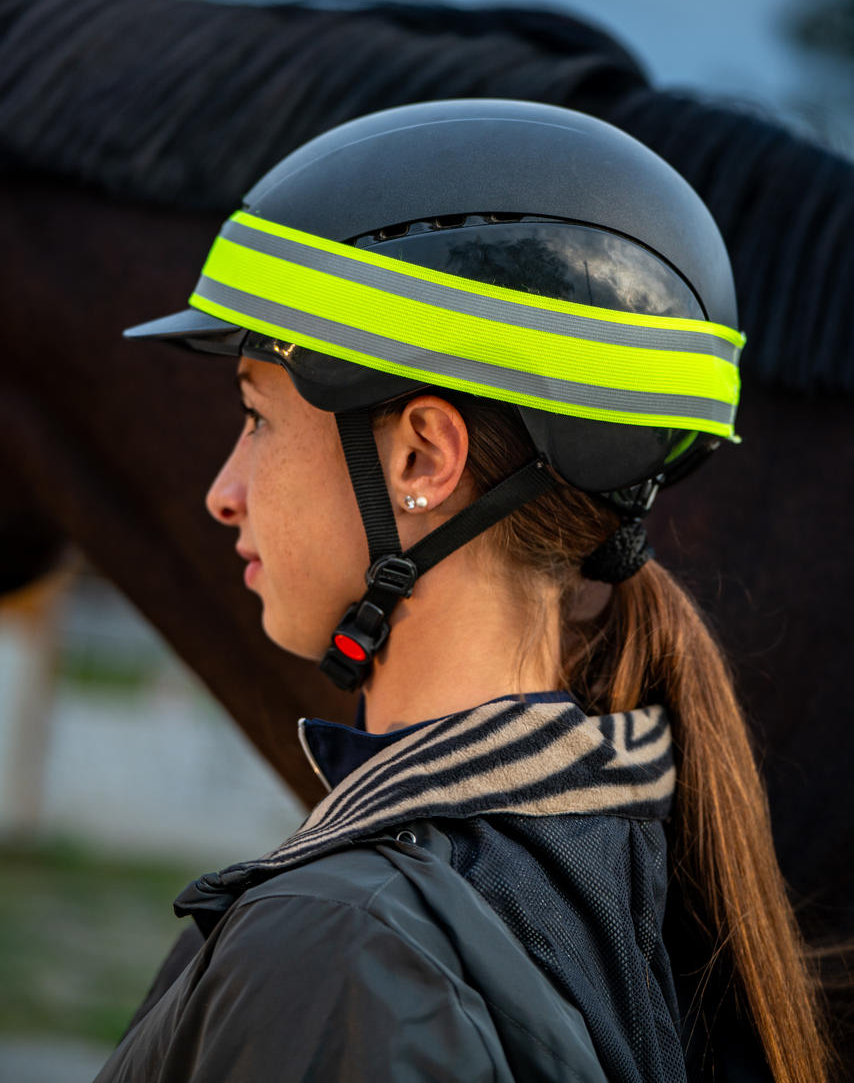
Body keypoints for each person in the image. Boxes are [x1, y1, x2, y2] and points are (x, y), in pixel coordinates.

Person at [98, 100, 826, 1082]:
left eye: (257, 417)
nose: (222, 492)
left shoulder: (341, 944)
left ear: (421, 455)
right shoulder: (631, 846)